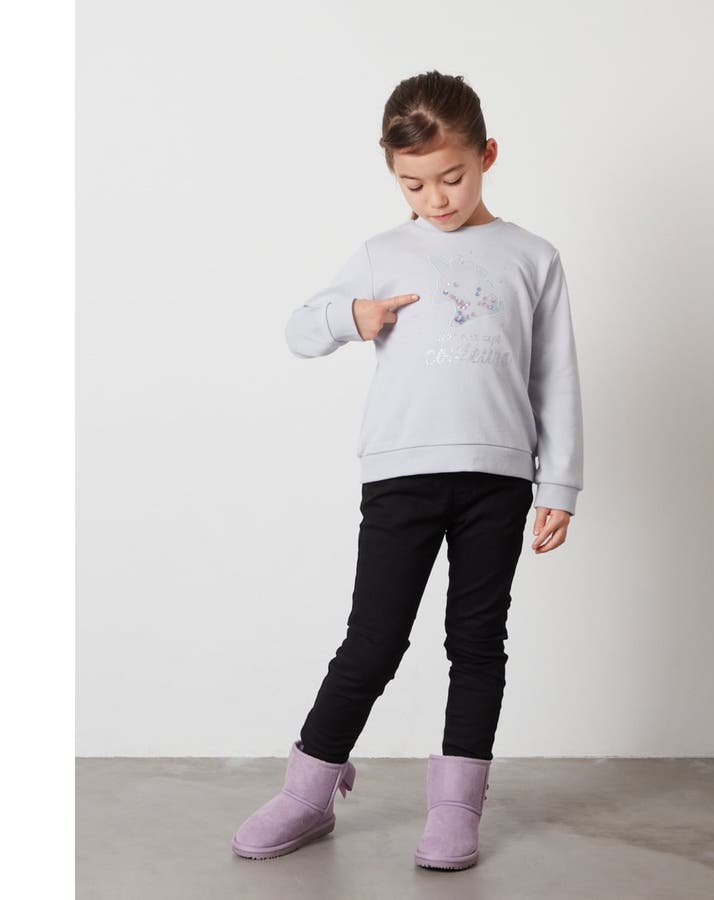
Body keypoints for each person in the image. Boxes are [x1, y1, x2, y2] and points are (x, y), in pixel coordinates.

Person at [232, 69, 584, 871]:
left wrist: (559, 485)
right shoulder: (383, 255)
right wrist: (350, 316)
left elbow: (556, 378)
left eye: (451, 177)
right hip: (402, 477)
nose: (435, 198)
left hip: (499, 480)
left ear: (487, 155)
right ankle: (308, 791)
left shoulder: (532, 257)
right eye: (413, 184)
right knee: (373, 640)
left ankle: (456, 807)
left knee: (477, 641)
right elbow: (299, 330)